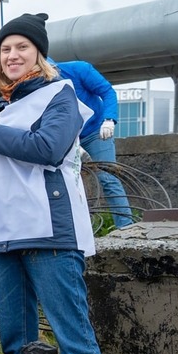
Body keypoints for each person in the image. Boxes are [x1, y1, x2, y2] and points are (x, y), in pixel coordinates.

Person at [0, 12, 117, 354]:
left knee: (72, 335)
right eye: (5, 49)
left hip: (51, 232)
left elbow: (49, 148)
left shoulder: (60, 93)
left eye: (21, 46)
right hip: (2, 235)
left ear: (39, 52)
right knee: (15, 339)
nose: (13, 55)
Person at [54, 59, 133, 229]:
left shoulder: (79, 70)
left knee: (108, 177)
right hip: (66, 138)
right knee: (66, 184)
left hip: (95, 132)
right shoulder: (39, 87)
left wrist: (109, 119)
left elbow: (107, 91)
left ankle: (126, 227)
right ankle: (76, 231)